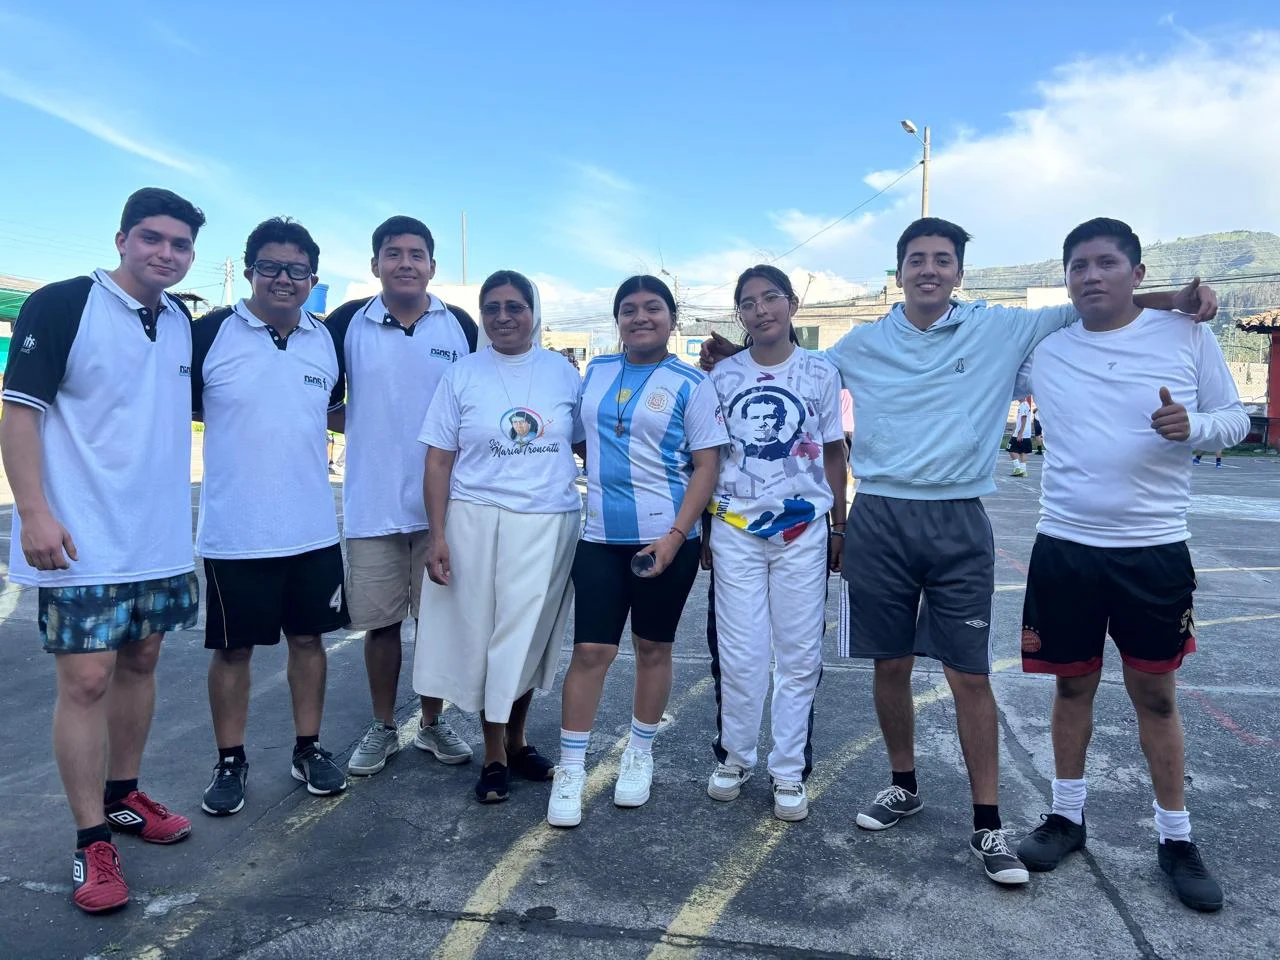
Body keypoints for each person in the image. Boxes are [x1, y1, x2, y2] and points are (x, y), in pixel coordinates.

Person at [702, 218, 1218, 884]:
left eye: (942, 259)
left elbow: (1096, 300)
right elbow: (789, 366)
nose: (929, 269)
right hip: (880, 515)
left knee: (969, 674)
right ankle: (903, 785)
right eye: (916, 259)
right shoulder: (859, 344)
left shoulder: (999, 327)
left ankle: (987, 823)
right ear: (898, 273)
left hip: (960, 519)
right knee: (888, 665)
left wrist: (1176, 299)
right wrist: (735, 355)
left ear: (959, 273)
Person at [1015, 218, 1247, 912]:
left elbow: (1233, 418)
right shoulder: (1046, 349)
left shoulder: (1186, 335)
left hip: (1153, 548)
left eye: (1107, 263)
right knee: (1071, 689)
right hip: (1065, 545)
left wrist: (1194, 427)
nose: (1091, 276)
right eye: (1078, 266)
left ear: (1138, 273)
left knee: (1157, 696)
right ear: (1065, 278)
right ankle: (1067, 816)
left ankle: (1176, 837)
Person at [0, 188, 204, 913]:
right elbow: (19, 414)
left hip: (158, 539)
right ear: (121, 239)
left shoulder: (179, 321)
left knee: (142, 663)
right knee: (86, 681)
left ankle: (124, 795)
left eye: (180, 244)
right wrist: (34, 512)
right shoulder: (62, 304)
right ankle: (91, 841)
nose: (166, 253)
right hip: (80, 539)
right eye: (152, 237)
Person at [546, 276, 727, 828]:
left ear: (672, 318)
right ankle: (571, 768)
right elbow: (581, 438)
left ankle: (639, 753)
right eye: (628, 309)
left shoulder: (692, 383)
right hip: (600, 537)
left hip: (666, 540)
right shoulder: (596, 372)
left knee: (652, 648)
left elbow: (707, 465)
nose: (640, 317)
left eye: (653, 308)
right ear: (617, 319)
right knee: (590, 652)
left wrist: (676, 536)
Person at [195, 218, 349, 817]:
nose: (284, 279)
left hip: (312, 529)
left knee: (308, 641)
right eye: (270, 267)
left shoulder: (325, 341)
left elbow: (332, 414)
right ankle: (229, 760)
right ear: (249, 271)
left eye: (297, 270)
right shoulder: (208, 334)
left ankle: (308, 749)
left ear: (312, 277)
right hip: (236, 534)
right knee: (234, 651)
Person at [414, 270, 582, 804]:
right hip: (476, 519)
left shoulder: (564, 374)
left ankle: (517, 739)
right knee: (487, 637)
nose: (504, 317)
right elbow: (438, 461)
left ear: (534, 311)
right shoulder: (462, 375)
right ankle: (493, 754)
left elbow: (588, 444)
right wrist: (437, 536)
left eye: (515, 306)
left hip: (549, 521)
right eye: (493, 308)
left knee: (527, 637)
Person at [324, 217, 478, 777]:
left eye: (417, 254)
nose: (405, 263)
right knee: (382, 625)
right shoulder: (346, 322)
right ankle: (384, 725)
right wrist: (369, 426)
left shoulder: (460, 325)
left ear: (433, 266)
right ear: (375, 264)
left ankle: (432, 724)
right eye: (393, 253)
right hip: (373, 506)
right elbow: (324, 402)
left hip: (447, 510)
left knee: (436, 626)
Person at [702, 265, 847, 822]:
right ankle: (735, 757)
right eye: (748, 302)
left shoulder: (820, 372)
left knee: (798, 655)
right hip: (735, 529)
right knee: (740, 654)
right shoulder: (721, 377)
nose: (760, 310)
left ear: (792, 305)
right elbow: (709, 457)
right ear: (739, 314)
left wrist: (839, 525)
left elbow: (832, 452)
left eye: (771, 298)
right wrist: (705, 532)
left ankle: (788, 770)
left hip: (803, 529)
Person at [1008, 395, 1033, 476]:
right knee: (1023, 451)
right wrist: (1014, 431)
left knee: (1011, 449)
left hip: (1022, 433)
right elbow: (1020, 420)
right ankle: (1023, 471)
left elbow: (1024, 418)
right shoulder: (1024, 405)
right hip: (1024, 433)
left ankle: (1017, 468)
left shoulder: (1024, 405)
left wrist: (1020, 433)